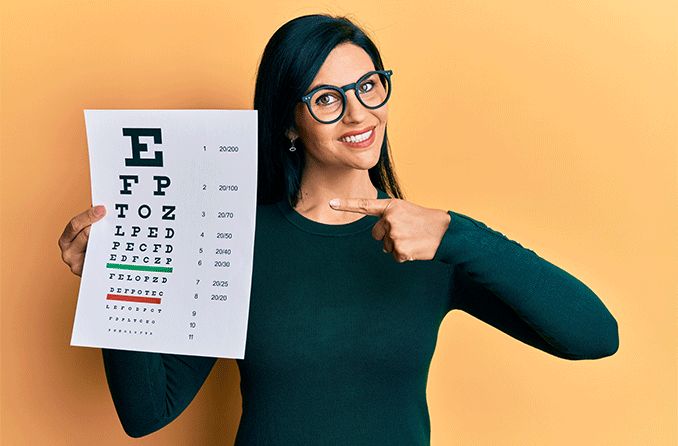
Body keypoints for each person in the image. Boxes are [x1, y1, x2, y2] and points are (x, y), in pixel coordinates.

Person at [58, 13, 619, 445]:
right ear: (288, 124)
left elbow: (594, 337)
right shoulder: (231, 240)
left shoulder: (432, 243)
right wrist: (114, 277)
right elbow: (147, 412)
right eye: (327, 98)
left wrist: (459, 235)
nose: (359, 114)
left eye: (369, 87)